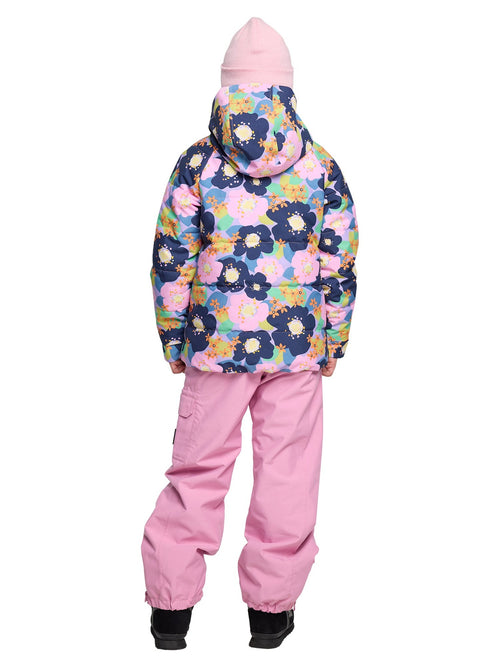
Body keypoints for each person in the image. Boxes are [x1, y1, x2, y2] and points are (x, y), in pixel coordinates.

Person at [140, 16, 359, 650]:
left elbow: (171, 256)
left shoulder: (197, 163)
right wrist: (334, 337)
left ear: (226, 90)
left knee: (197, 472)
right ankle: (269, 615)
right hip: (297, 350)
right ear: (286, 90)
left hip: (214, 346)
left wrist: (173, 336)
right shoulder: (319, 166)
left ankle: (170, 614)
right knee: (287, 475)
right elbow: (339, 257)